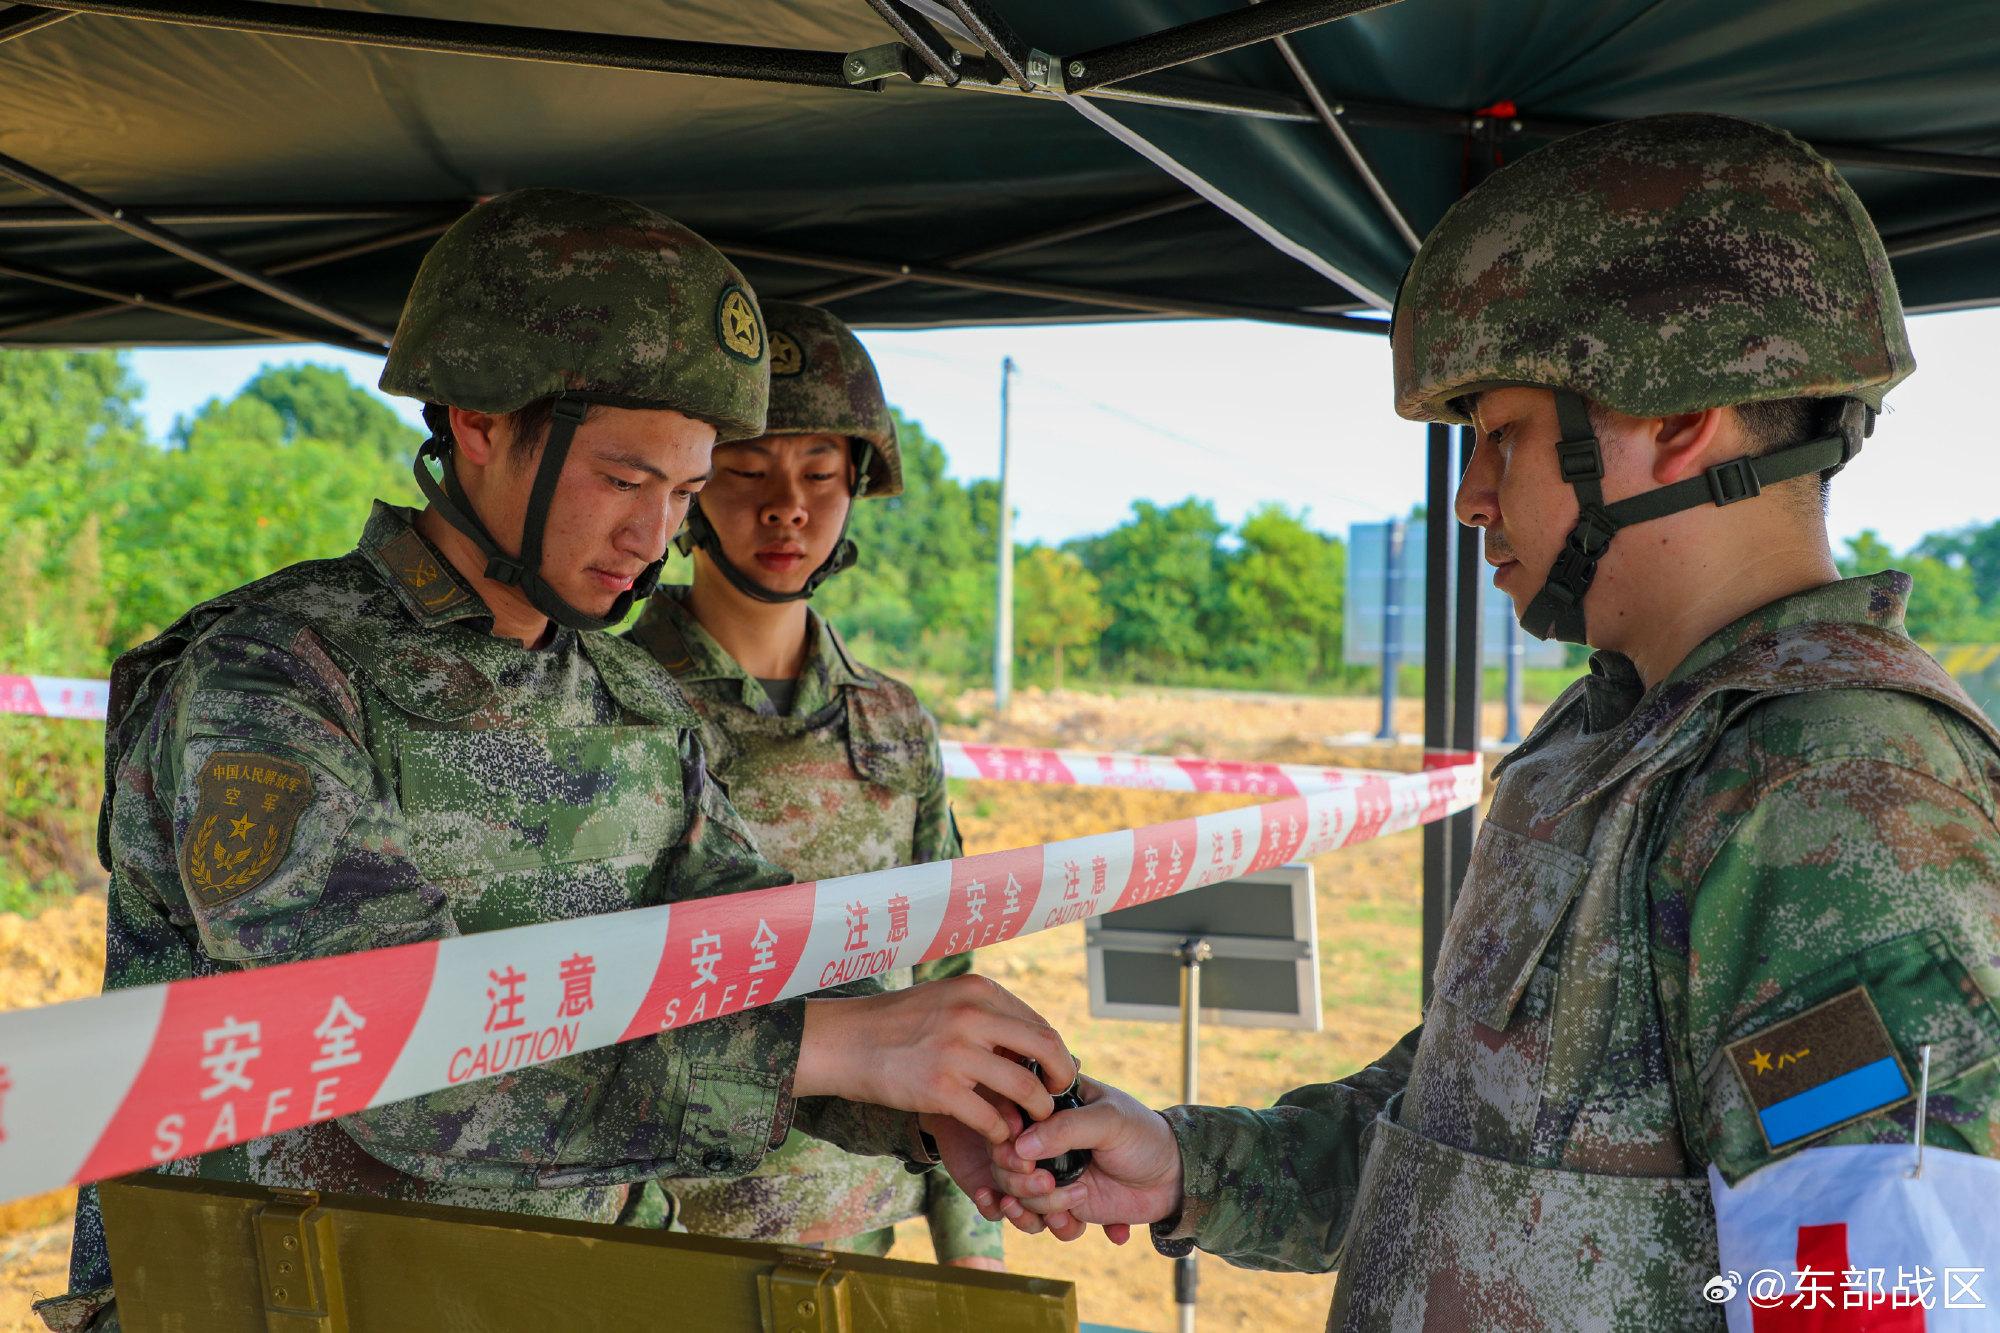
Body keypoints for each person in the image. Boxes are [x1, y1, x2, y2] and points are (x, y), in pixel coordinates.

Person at [972, 114, 2000, 1330]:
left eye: (1499, 435)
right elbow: (1473, 1148)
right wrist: (1196, 1166)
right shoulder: (1617, 740)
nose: (1466, 497)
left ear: (1676, 420)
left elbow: (1874, 1285)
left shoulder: (1825, 784)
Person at [38, 190, 1069, 1332]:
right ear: (476, 419)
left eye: (680, 494)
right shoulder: (274, 677)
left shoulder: (626, 694)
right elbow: (378, 1055)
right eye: (623, 480)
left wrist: (932, 1105)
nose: (649, 535)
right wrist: (838, 1048)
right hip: (283, 1297)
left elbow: (759, 960)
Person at [624, 302, 1004, 1268]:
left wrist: (976, 1247)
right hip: (671, 1243)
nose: (785, 505)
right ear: (693, 487)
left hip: (865, 1223)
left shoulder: (894, 723)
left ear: (856, 487)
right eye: (748, 470)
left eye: (820, 474)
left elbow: (946, 979)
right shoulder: (611, 702)